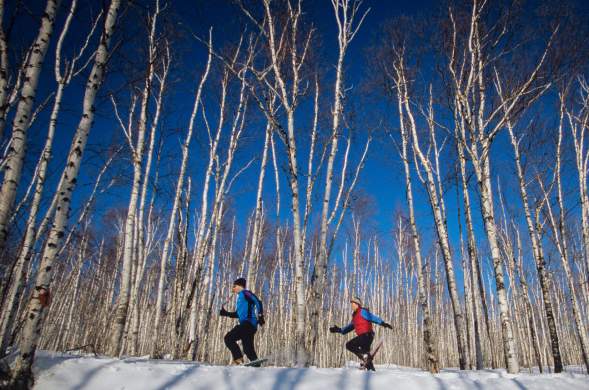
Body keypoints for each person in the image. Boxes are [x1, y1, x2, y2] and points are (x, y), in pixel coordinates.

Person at [329, 296, 392, 371]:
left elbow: (372, 317)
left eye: (353, 303)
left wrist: (382, 323)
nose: (351, 305)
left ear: (357, 304)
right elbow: (349, 327)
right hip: (364, 337)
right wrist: (339, 330)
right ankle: (371, 369)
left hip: (366, 335)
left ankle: (365, 356)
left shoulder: (362, 311)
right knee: (367, 359)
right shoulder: (355, 317)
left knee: (349, 345)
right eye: (351, 304)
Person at [220, 277, 265, 365]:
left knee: (228, 338)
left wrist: (260, 315)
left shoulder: (245, 293)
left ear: (240, 286)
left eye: (234, 286)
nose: (233, 288)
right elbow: (238, 314)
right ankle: (256, 365)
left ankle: (238, 358)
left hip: (248, 324)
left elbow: (257, 301)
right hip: (248, 326)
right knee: (248, 350)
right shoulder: (240, 298)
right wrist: (226, 313)